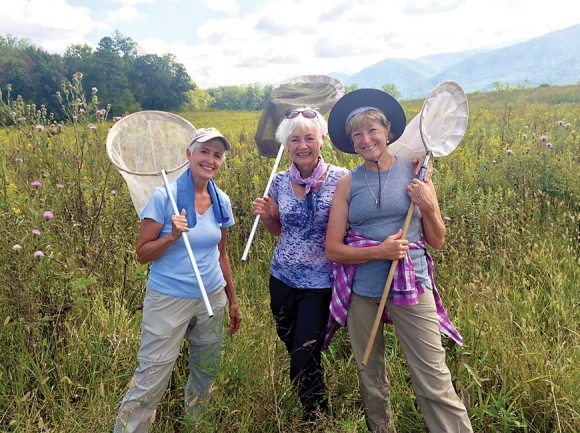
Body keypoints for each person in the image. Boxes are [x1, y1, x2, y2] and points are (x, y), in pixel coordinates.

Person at [324, 89, 473, 432]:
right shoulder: (347, 183)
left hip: (412, 287)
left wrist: (428, 204)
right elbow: (333, 249)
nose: (366, 139)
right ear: (351, 141)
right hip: (364, 292)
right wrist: (379, 252)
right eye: (357, 134)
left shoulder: (416, 173)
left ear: (388, 130)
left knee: (432, 376)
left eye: (372, 130)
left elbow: (436, 239)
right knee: (370, 376)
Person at [114, 127, 242, 433]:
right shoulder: (163, 197)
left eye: (217, 154)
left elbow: (221, 254)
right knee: (151, 374)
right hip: (169, 299)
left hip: (212, 297)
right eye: (204, 152)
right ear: (189, 154)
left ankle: (195, 425)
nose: (210, 160)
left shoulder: (221, 200)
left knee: (205, 370)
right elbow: (142, 253)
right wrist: (171, 236)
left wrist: (233, 299)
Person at [251, 108, 348, 421]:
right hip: (281, 279)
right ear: (286, 145)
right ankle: (316, 406)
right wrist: (267, 215)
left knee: (302, 355)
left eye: (309, 137)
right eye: (295, 139)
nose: (302, 145)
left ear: (321, 139)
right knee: (295, 347)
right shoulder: (278, 181)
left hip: (320, 285)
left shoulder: (341, 179)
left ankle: (317, 418)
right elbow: (280, 230)